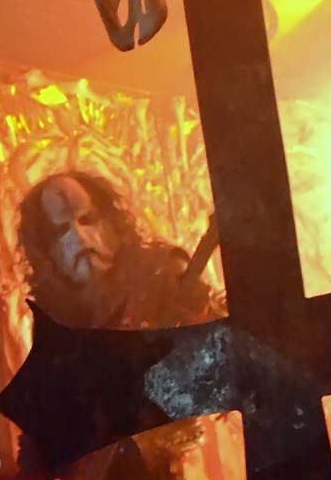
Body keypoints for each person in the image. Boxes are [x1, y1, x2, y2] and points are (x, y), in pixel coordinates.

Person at [14, 169, 224, 480]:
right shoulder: (55, 319)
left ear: (112, 222)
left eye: (88, 219)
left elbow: (221, 360)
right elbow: (44, 424)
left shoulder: (160, 273)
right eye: (60, 231)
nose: (78, 237)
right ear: (47, 253)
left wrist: (196, 318)